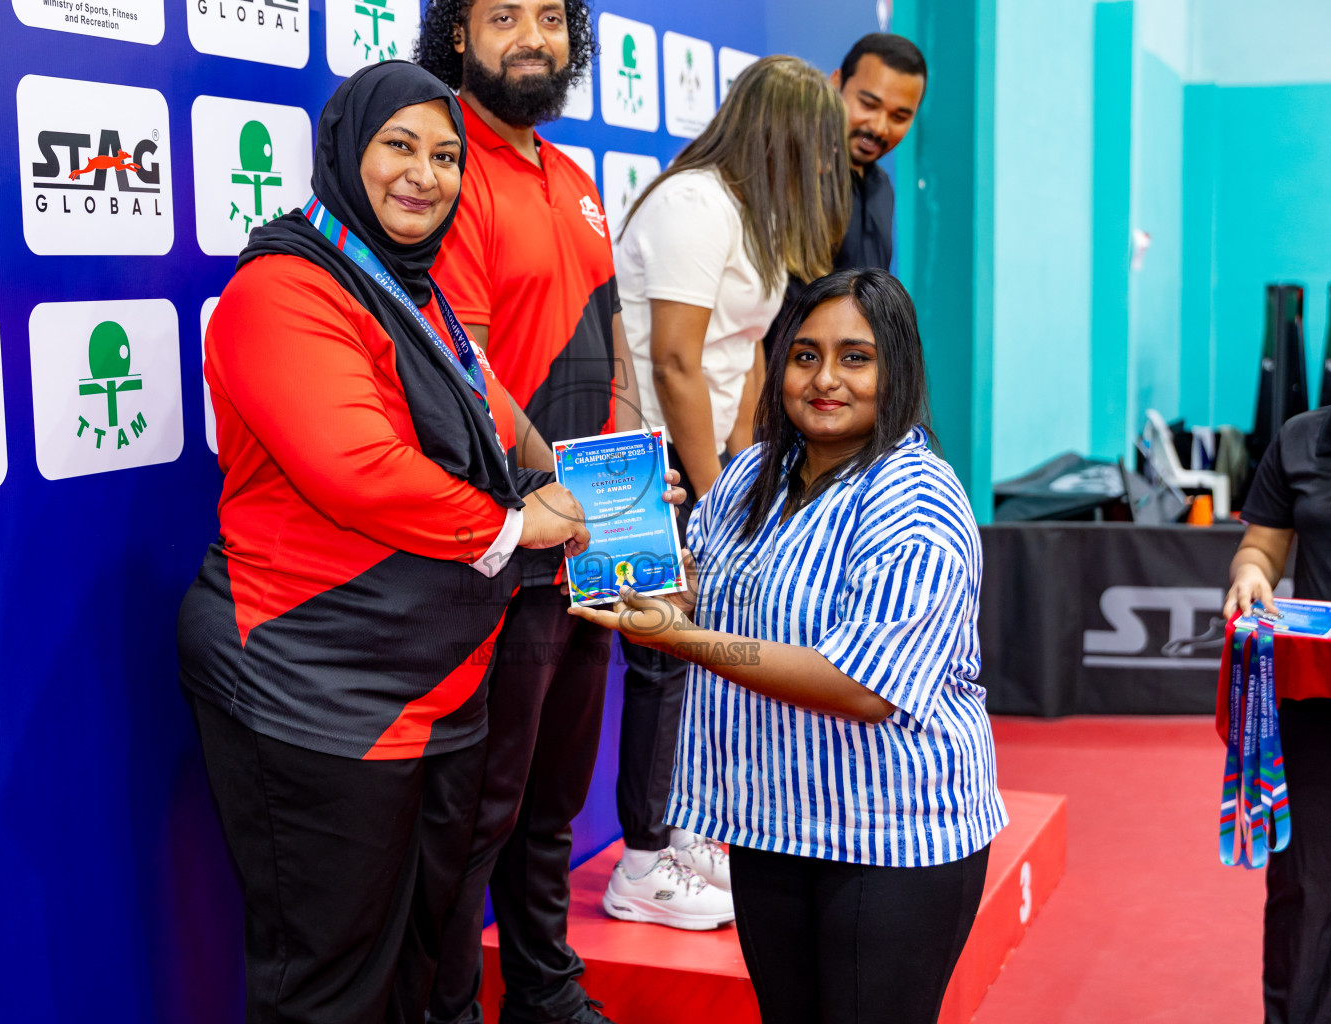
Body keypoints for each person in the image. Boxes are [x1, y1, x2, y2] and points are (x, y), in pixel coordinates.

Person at [175, 62, 596, 1024]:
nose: (427, 174)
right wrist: (519, 521)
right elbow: (356, 466)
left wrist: (594, 485)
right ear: (343, 154)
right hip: (312, 683)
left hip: (438, 687)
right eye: (398, 147)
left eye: (446, 154)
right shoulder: (283, 289)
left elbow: (500, 419)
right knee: (331, 985)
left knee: (432, 965)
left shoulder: (420, 295)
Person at [573, 268, 1008, 1024]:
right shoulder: (748, 475)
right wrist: (627, 540)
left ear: (896, 368)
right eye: (805, 356)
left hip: (893, 837)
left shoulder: (920, 500)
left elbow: (860, 687)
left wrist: (685, 640)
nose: (825, 379)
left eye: (855, 357)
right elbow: (701, 598)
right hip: (770, 821)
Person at [412, 2, 678, 1022]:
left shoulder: (571, 180)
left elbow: (608, 348)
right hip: (501, 547)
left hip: (588, 541)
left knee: (553, 798)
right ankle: (443, 1007)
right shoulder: (450, 167)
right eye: (502, 15)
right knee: (480, 804)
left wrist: (625, 507)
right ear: (458, 34)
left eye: (550, 19)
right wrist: (553, 495)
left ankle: (543, 987)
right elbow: (465, 367)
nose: (531, 37)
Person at [606, 53, 851, 926]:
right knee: (662, 659)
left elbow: (744, 357)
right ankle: (639, 863)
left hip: (703, 469)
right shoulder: (694, 204)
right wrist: (714, 498)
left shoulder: (755, 219)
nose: (831, 163)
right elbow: (672, 362)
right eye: (822, 144)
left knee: (698, 661)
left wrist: (750, 482)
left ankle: (679, 835)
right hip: (632, 463)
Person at [1223, 272, 1331, 1024]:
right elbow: (1260, 550)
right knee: (1303, 894)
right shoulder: (1302, 439)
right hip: (1319, 700)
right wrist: (1251, 580)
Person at [830, 32, 926, 274]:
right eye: (868, 105)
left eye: (899, 117)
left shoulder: (881, 186)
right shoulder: (793, 176)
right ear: (835, 83)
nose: (879, 128)